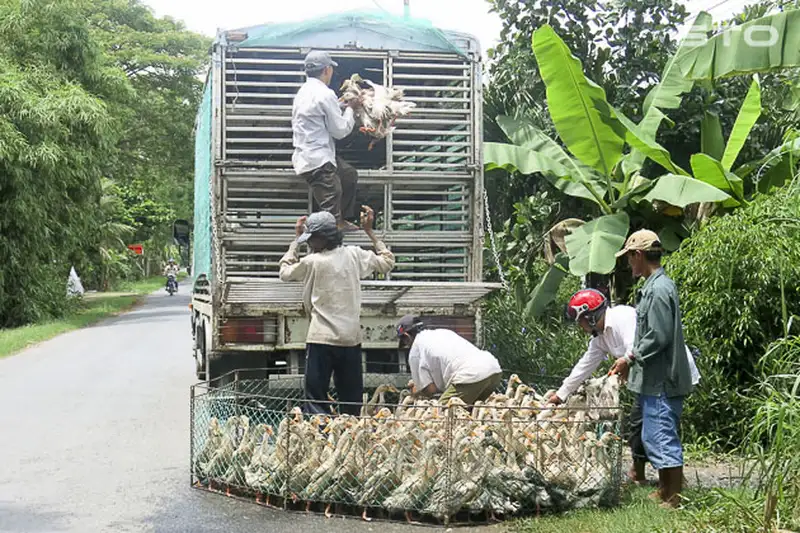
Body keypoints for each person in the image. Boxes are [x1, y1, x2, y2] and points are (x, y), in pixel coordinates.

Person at [546, 288, 700, 488]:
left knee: (659, 428)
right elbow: (585, 365)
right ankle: (641, 475)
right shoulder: (600, 337)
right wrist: (561, 395)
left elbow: (636, 346)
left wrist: (625, 362)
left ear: (590, 317)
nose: (579, 325)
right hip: (649, 381)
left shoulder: (622, 317)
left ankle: (673, 485)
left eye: (580, 320)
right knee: (639, 424)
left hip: (668, 374)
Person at [279, 206, 394, 416]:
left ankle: (319, 439)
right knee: (352, 401)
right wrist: (369, 231)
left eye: (311, 239)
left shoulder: (312, 261)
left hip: (320, 338)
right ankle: (350, 439)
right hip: (350, 339)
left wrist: (294, 243)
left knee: (316, 400)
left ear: (323, 238)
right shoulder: (355, 255)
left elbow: (285, 273)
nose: (310, 243)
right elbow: (387, 262)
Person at [609, 229, 695, 509]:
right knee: (653, 435)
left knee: (661, 436)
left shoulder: (658, 290)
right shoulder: (654, 286)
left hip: (662, 379)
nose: (628, 264)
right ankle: (664, 490)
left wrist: (629, 358)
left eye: (629, 258)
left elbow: (658, 335)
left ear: (639, 255)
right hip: (654, 378)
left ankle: (674, 497)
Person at [292, 50, 361, 231]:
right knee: (332, 197)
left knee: (348, 175)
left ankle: (341, 219)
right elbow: (340, 131)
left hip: (310, 154)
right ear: (327, 70)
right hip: (317, 158)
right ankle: (330, 237)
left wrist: (339, 106)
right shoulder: (324, 93)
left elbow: (316, 112)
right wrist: (352, 109)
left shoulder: (304, 92)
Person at [397, 315, 503, 405]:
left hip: (469, 377)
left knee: (440, 416)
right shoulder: (443, 332)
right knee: (472, 413)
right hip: (493, 370)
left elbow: (431, 391)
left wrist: (417, 393)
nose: (407, 345)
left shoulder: (415, 351)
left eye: (405, 342)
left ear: (407, 337)